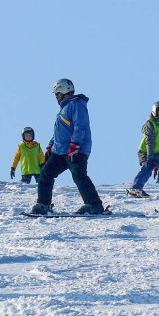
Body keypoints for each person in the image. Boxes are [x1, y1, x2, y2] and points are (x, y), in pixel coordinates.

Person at [30, 79, 104, 215]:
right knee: (45, 174)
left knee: (79, 176)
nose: (56, 98)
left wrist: (75, 145)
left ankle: (94, 205)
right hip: (59, 151)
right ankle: (43, 204)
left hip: (75, 150)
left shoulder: (76, 105)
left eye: (57, 94)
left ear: (63, 92)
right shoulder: (64, 108)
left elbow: (80, 126)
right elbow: (60, 131)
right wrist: (50, 145)